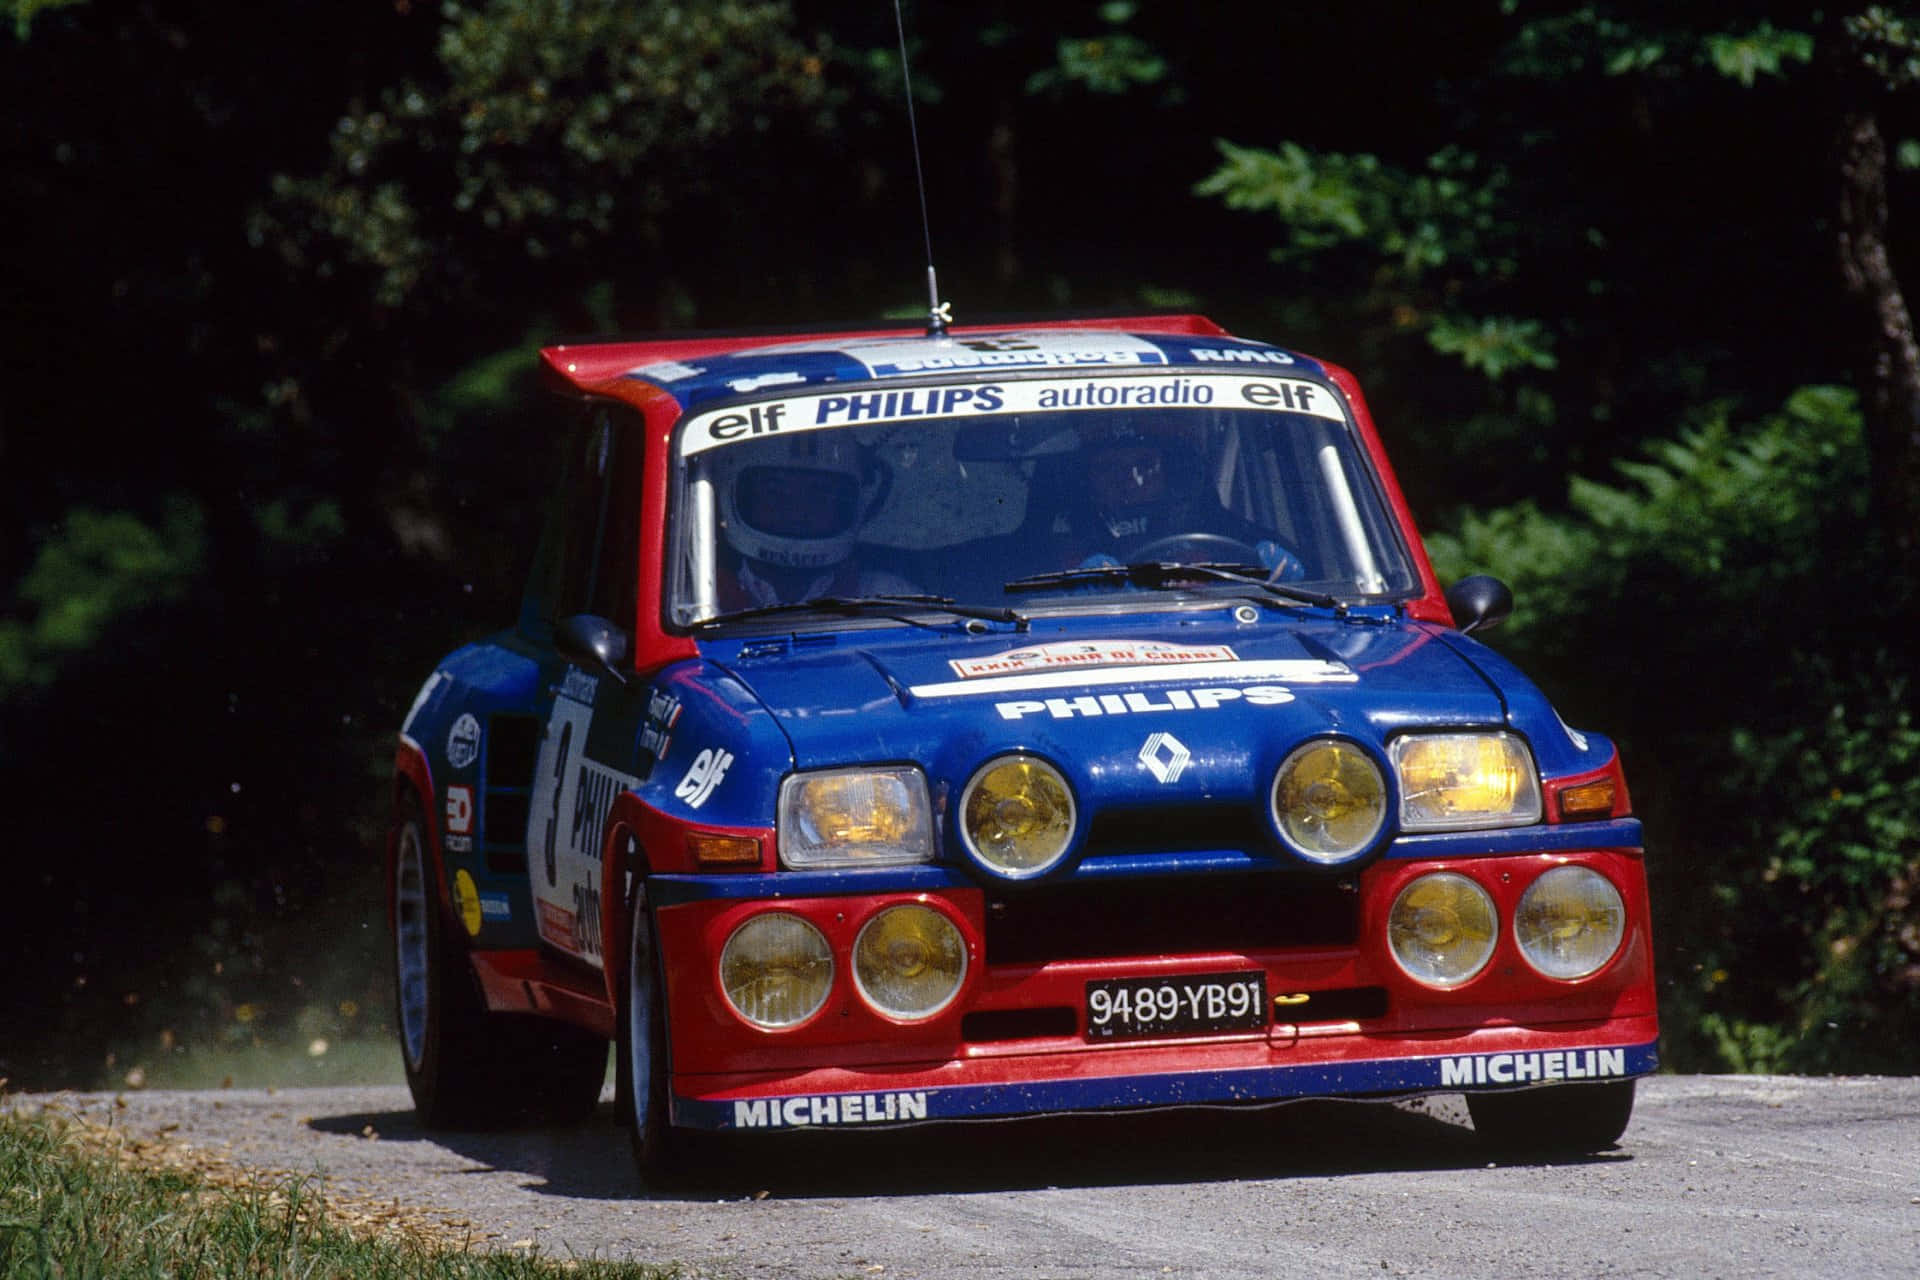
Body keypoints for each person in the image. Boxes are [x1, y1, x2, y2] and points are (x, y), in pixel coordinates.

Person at [1040, 419, 1305, 578]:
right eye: (1108, 468)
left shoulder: (1220, 528)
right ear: (1087, 481)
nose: (1129, 479)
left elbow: (1305, 579)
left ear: (1171, 472)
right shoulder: (1068, 548)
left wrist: (1278, 566)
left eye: (1145, 465)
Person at [711, 433, 918, 608]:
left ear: (846, 505)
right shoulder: (703, 601)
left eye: (819, 494)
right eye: (775, 492)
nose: (797, 510)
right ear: (739, 496)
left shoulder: (890, 599)